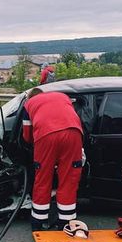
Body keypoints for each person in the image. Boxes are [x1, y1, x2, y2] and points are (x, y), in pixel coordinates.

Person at [22, 88, 84, 231]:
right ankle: (66, 223)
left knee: (43, 178)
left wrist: (34, 144)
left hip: (46, 137)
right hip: (74, 133)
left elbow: (27, 135)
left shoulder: (29, 104)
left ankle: (38, 223)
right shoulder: (62, 96)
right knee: (69, 179)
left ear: (30, 97)